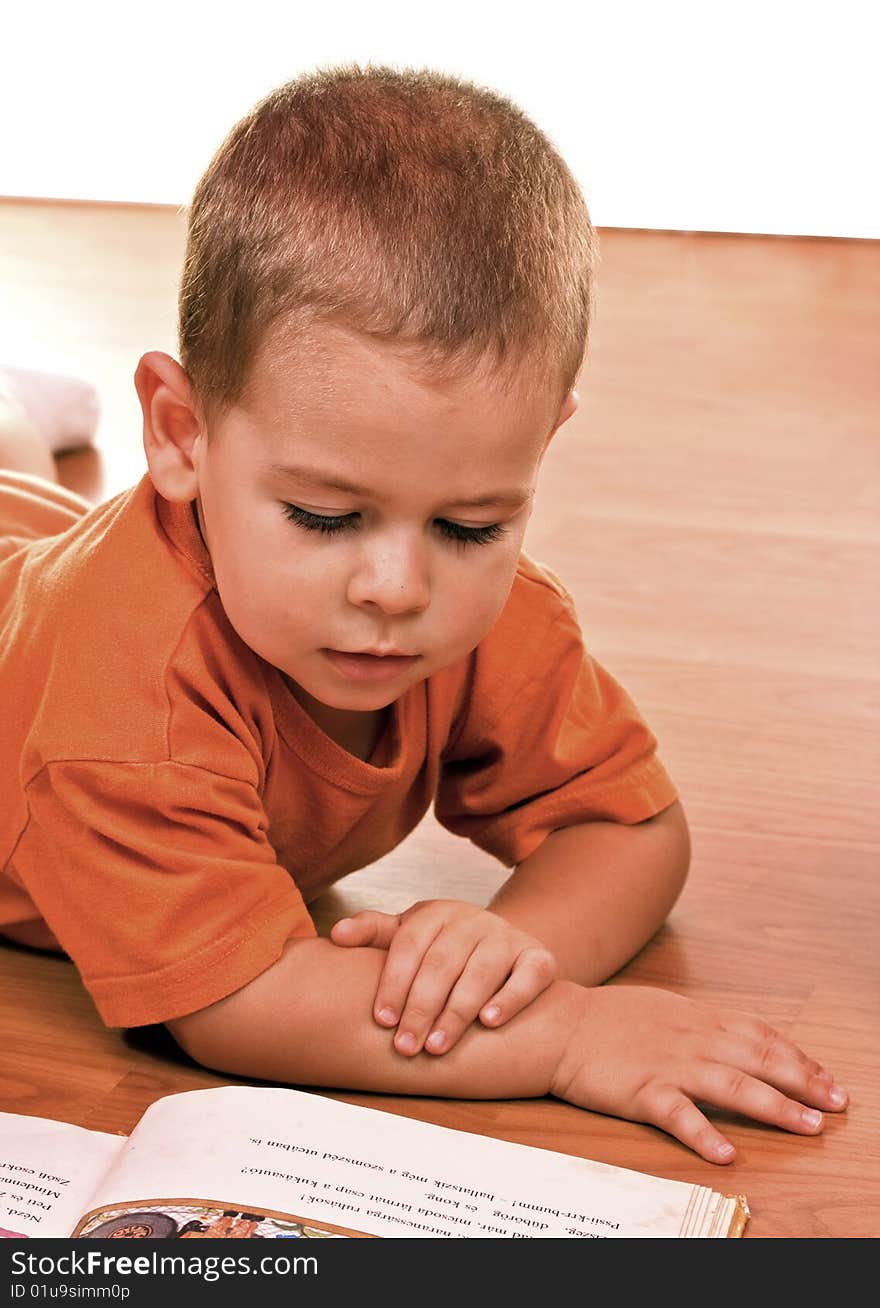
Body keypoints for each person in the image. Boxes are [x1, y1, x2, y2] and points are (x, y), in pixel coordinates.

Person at [0, 64, 847, 1166]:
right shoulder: (125, 709)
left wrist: (505, 952)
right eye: (323, 515)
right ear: (179, 433)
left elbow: (630, 825)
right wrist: (561, 1031)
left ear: (542, 446)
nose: (399, 590)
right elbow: (236, 1005)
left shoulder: (488, 611)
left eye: (469, 525)